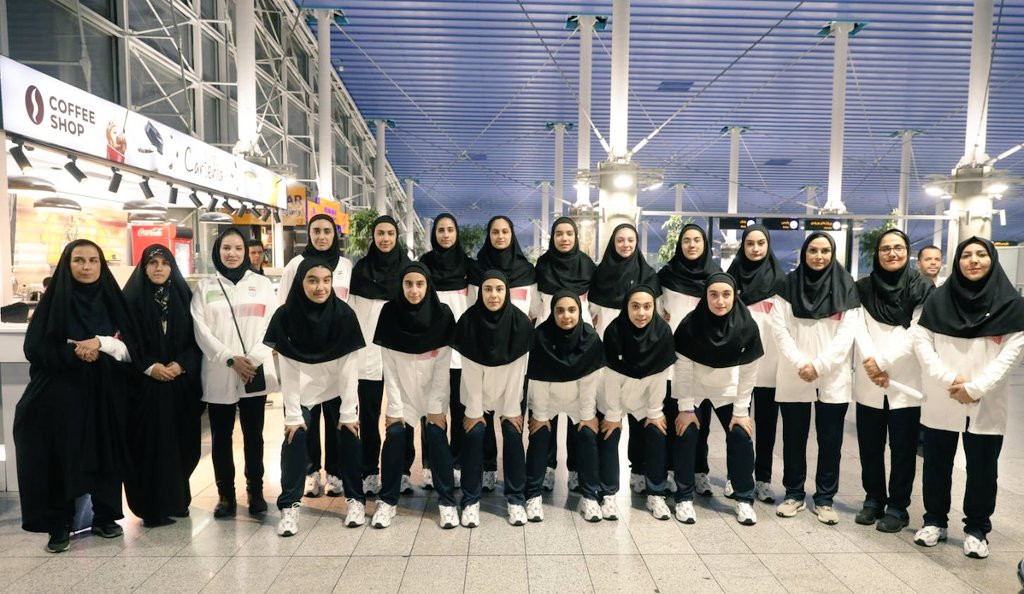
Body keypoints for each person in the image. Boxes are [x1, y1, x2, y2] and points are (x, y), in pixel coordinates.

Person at [14, 239, 138, 553]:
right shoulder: (54, 303)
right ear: (67, 265)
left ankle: (106, 516)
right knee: (61, 456)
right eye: (79, 260)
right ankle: (59, 523)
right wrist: (75, 353)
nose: (86, 267)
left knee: (105, 451)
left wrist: (100, 344)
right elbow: (35, 348)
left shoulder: (113, 300)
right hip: (62, 393)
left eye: (93, 260)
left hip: (105, 392)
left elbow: (135, 346)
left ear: (102, 265)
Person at [913, 236, 1024, 559]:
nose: (973, 260)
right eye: (966, 255)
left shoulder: (1011, 305)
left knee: (983, 470)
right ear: (957, 261)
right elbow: (922, 340)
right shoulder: (938, 300)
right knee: (936, 465)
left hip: (986, 401)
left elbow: (1012, 353)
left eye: (981, 254)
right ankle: (934, 521)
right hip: (942, 397)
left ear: (992, 260)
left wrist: (974, 388)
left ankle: (977, 529)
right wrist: (949, 380)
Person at [263, 258, 364, 536]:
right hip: (302, 389)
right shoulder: (286, 316)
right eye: (313, 280)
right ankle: (289, 506)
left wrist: (348, 412)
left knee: (350, 435)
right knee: (294, 438)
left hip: (337, 386)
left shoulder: (344, 315)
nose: (321, 287)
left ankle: (355, 500)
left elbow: (349, 367)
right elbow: (288, 367)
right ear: (300, 282)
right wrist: (293, 415)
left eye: (326, 280)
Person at [771, 232, 860, 524]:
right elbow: (779, 330)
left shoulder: (846, 287)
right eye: (813, 250)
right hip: (794, 372)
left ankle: (824, 499)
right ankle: (794, 494)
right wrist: (801, 363)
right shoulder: (787, 286)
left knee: (830, 441)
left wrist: (819, 366)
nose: (819, 256)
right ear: (804, 253)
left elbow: (847, 335)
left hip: (832, 376)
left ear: (832, 254)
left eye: (824, 251)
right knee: (793, 438)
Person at [191, 227, 279, 519]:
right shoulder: (206, 287)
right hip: (220, 371)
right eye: (226, 248)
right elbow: (200, 330)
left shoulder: (262, 285)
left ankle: (255, 491)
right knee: (221, 436)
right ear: (217, 251)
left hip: (253, 371)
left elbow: (272, 325)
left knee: (254, 435)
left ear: (246, 252)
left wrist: (251, 360)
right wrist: (230, 359)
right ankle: (225, 495)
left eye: (238, 248)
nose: (232, 254)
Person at [852, 229, 933, 533]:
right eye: (885, 248)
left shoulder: (922, 288)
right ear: (877, 253)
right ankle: (873, 499)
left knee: (903, 449)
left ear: (908, 252)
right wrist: (872, 364)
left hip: (906, 381)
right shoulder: (862, 288)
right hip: (870, 380)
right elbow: (858, 328)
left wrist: (882, 363)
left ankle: (898, 507)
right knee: (870, 446)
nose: (892, 253)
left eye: (898, 247)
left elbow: (918, 332)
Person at [672, 272, 763, 525]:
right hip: (695, 389)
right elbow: (683, 369)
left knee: (741, 435)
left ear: (735, 296)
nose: (720, 301)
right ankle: (683, 497)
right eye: (713, 295)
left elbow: (749, 371)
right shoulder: (690, 324)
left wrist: (741, 411)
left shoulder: (747, 325)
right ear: (705, 296)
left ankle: (744, 499)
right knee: (686, 432)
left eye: (726, 294)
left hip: (728, 390)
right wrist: (686, 408)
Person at [122, 244, 203, 527]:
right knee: (149, 447)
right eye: (152, 263)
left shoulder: (184, 297)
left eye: (164, 263)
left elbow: (198, 338)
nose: (159, 268)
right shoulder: (130, 300)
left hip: (180, 386)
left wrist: (181, 364)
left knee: (182, 444)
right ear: (143, 267)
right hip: (144, 386)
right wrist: (150, 366)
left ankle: (177, 500)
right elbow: (126, 341)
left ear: (172, 267)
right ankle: (152, 508)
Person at [374, 263, 458, 528]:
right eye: (408, 284)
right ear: (400, 285)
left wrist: (436, 408)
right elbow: (389, 368)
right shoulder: (389, 314)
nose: (414, 290)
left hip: (433, 394)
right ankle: (387, 501)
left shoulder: (443, 315)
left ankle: (447, 503)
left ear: (428, 285)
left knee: (436, 435)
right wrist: (395, 408)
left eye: (420, 284)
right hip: (402, 395)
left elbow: (443, 369)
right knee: (395, 436)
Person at [277, 214, 354, 499]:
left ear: (335, 235)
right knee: (307, 418)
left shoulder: (345, 266)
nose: (322, 236)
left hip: (336, 353)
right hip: (304, 353)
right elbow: (283, 305)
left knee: (336, 417)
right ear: (308, 234)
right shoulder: (295, 265)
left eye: (327, 231)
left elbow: (350, 305)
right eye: (316, 231)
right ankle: (311, 473)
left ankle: (335, 473)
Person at [453, 270, 533, 527]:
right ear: (480, 292)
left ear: (507, 292)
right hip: (476, 391)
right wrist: (475, 411)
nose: (494, 295)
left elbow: (518, 370)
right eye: (488, 289)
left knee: (512, 431)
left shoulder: (520, 323)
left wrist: (511, 410)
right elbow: (470, 371)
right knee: (474, 432)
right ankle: (470, 500)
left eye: (499, 289)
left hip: (509, 391)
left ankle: (516, 499)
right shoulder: (468, 322)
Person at [525, 291, 607, 522]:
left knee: (588, 435)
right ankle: (533, 494)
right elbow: (539, 380)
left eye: (572, 310)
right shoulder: (541, 337)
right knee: (539, 434)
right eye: (559, 311)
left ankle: (590, 496)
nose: (566, 316)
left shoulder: (590, 339)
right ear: (552, 312)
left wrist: (587, 416)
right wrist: (540, 416)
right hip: (547, 398)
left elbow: (589, 382)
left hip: (577, 400)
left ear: (579, 312)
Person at [470, 215, 536, 491]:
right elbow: (473, 307)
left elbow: (533, 311)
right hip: (483, 350)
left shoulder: (527, 271)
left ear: (512, 235)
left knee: (513, 417)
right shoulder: (477, 270)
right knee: (483, 415)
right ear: (489, 235)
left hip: (516, 353)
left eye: (505, 231)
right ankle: (487, 468)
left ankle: (514, 478)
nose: (500, 236)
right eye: (495, 232)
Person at [601, 286, 677, 519]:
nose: (641, 313)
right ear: (626, 307)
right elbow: (611, 379)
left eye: (647, 306)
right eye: (635, 307)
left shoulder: (662, 332)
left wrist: (654, 412)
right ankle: (608, 494)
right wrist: (613, 415)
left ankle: (656, 493)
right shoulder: (614, 331)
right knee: (609, 432)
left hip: (646, 396)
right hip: (615, 395)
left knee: (656, 430)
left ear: (654, 308)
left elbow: (659, 376)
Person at [532, 216, 597, 491]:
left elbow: (594, 305)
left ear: (576, 236)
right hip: (547, 340)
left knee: (576, 407)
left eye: (569, 233)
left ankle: (575, 469)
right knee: (545, 407)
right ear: (553, 237)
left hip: (579, 340)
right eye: (559, 233)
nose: (564, 238)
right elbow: (535, 304)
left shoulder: (588, 266)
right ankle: (546, 468)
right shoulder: (542, 265)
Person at [348, 215, 410, 496]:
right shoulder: (361, 270)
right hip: (369, 354)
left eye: (390, 233)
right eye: (380, 233)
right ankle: (369, 471)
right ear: (373, 237)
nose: (385, 238)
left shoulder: (407, 270)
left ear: (397, 236)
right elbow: (353, 313)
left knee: (403, 412)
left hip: (401, 351)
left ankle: (402, 471)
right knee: (369, 415)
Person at [657, 223, 720, 498]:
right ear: (679, 244)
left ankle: (699, 471)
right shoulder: (666, 275)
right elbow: (657, 309)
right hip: (673, 358)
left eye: (697, 240)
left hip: (705, 357)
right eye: (686, 240)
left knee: (701, 422)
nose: (691, 245)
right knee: (674, 416)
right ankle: (672, 471)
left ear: (705, 244)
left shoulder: (715, 276)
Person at [726, 224, 785, 503]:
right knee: (737, 424)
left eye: (761, 243)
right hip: (738, 365)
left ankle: (763, 479)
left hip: (770, 365)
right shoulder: (731, 279)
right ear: (743, 246)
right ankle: (735, 476)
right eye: (750, 243)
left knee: (767, 425)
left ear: (768, 245)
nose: (755, 248)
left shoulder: (780, 283)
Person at [419, 214, 477, 490]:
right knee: (432, 410)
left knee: (459, 409)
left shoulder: (469, 267)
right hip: (431, 351)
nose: (445, 234)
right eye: (440, 230)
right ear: (435, 234)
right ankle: (431, 465)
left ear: (457, 233)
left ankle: (456, 464)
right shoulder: (424, 265)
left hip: (461, 353)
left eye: (450, 229)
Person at [589, 223, 660, 337]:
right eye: (620, 240)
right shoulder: (601, 273)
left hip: (640, 337)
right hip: (606, 335)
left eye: (630, 240)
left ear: (636, 242)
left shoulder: (647, 275)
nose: (626, 244)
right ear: (613, 243)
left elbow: (657, 311)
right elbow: (592, 310)